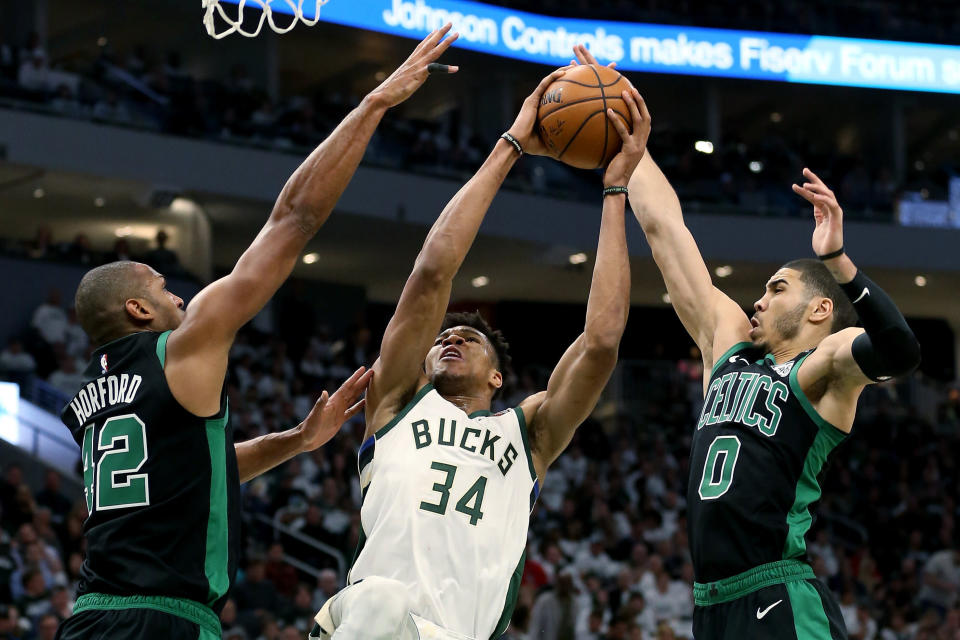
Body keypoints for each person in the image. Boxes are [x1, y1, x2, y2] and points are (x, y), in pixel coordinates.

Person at [53, 26, 458, 640]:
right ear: (138, 310)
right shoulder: (178, 351)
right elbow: (294, 219)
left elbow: (191, 473)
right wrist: (373, 104)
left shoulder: (86, 398)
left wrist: (297, 440)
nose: (180, 296)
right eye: (164, 287)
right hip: (163, 620)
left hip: (88, 619)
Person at [311, 52, 651, 640]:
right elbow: (431, 274)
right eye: (443, 336)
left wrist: (616, 189)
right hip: (373, 622)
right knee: (383, 601)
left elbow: (601, 343)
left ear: (498, 379)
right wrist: (511, 147)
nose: (450, 338)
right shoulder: (396, 405)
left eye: (469, 339)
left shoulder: (528, 433)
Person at [618, 47, 922, 639]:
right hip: (709, 601)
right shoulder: (729, 348)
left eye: (775, 289)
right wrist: (631, 149)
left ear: (819, 308)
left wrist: (838, 260)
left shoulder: (826, 364)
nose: (757, 300)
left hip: (777, 591)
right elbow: (664, 230)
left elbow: (901, 352)